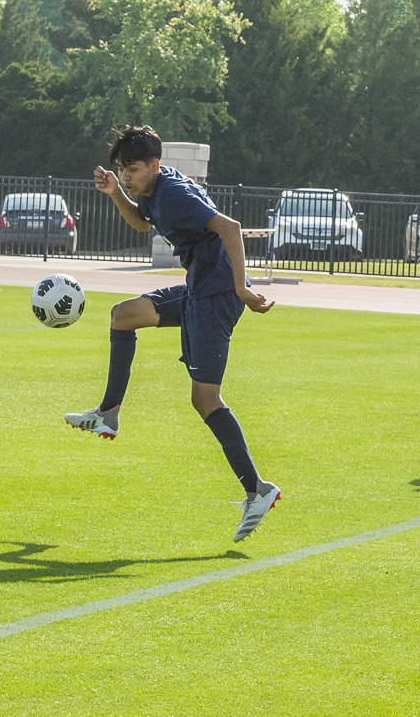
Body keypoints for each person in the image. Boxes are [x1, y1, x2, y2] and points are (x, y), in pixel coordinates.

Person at [63, 125, 280, 542]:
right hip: (200, 289)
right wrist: (116, 194)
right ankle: (108, 415)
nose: (126, 175)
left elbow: (230, 228)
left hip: (215, 296)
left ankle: (257, 490)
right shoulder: (153, 190)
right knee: (123, 315)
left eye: (131, 169)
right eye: (121, 169)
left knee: (205, 398)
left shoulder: (174, 194)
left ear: (154, 165)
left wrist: (241, 288)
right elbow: (142, 225)